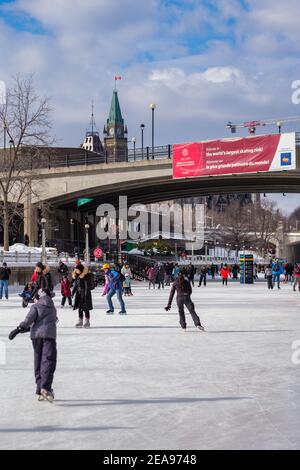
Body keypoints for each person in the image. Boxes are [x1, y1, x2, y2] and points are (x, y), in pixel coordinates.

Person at [13, 288, 58, 402]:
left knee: (38, 361)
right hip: (49, 337)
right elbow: (54, 321)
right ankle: (46, 388)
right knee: (48, 361)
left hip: (36, 338)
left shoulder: (35, 307)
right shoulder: (53, 309)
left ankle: (39, 389)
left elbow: (29, 320)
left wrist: (20, 328)